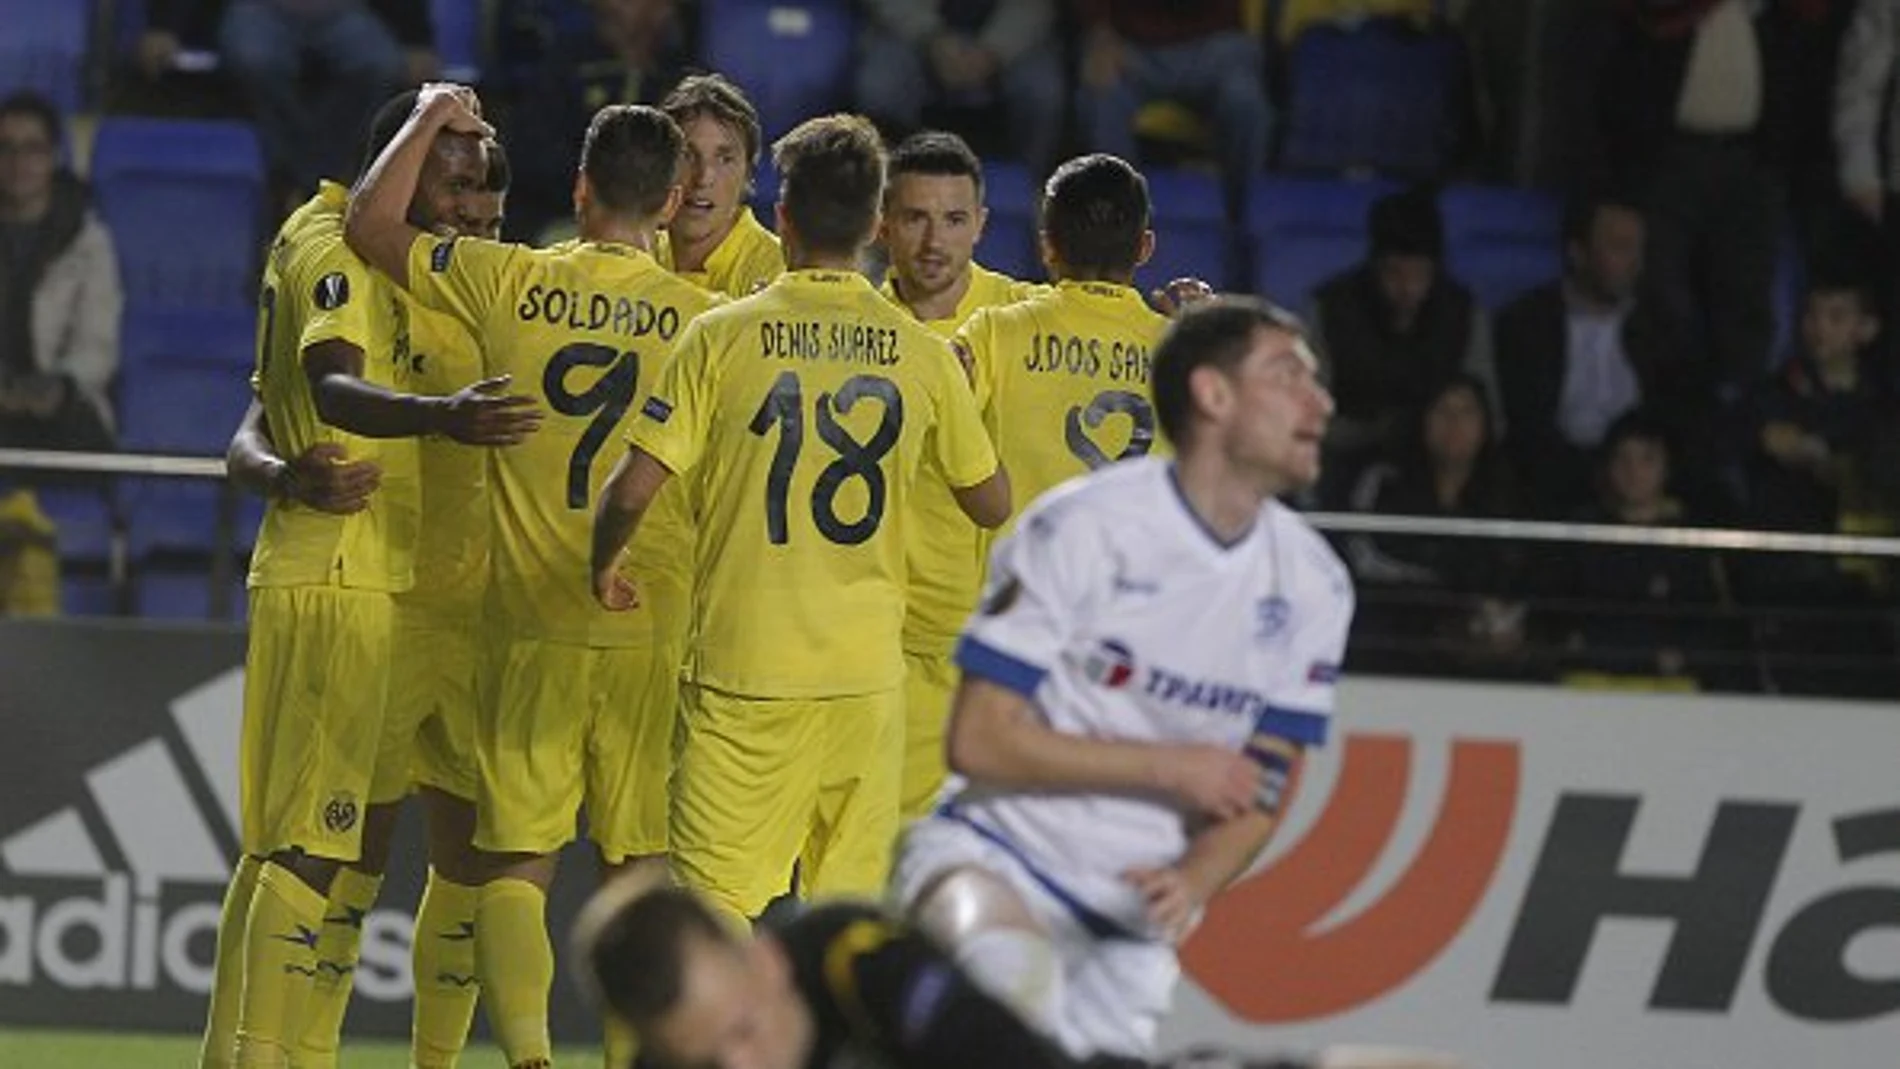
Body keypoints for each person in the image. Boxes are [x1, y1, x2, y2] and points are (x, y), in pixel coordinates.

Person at [346, 89, 723, 1069]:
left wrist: (430, 114)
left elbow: (369, 222)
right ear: (677, 194)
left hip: (528, 621)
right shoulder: (711, 322)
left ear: (582, 186)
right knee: (638, 865)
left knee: (517, 862)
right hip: (650, 626)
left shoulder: (504, 278)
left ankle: (526, 1058)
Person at [890, 297, 1351, 1061]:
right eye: (1289, 375)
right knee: (1007, 1001)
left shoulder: (1315, 584)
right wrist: (1170, 767)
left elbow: (1262, 782)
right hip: (994, 854)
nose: (1322, 400)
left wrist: (1198, 877)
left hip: (1128, 920)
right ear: (1213, 394)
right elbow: (977, 739)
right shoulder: (1083, 527)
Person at [591, 113, 1011, 932]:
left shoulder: (721, 334)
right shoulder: (921, 351)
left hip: (745, 672)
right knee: (845, 926)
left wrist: (601, 562)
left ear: (781, 216)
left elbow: (634, 489)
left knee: (711, 925)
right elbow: (990, 501)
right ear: (876, 226)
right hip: (866, 678)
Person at [199, 86, 539, 1069]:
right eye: (454, 168)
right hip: (345, 575)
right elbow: (330, 386)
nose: (467, 199)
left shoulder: (316, 239)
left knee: (292, 850)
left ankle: (246, 1053)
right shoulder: (342, 251)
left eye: (484, 191)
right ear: (402, 152)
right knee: (317, 846)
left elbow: (260, 419)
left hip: (364, 574)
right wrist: (441, 419)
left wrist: (275, 472)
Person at [568, 875, 1467, 1069]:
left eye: (743, 1032)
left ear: (766, 963)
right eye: (701, 1059)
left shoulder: (854, 960)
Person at [878, 130, 1041, 820]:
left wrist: (1181, 319)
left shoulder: (1028, 320)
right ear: (882, 222)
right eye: (914, 217)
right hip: (890, 646)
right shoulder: (855, 327)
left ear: (981, 224)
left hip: (1005, 650)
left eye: (951, 219)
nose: (933, 241)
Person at [952, 153, 1170, 529]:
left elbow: (934, 438)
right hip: (1139, 582)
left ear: (1047, 246)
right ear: (1144, 248)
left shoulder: (991, 333)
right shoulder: (1183, 352)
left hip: (1021, 582)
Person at [1493, 193, 1689, 516]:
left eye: (1637, 248)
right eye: (1618, 247)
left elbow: (1675, 416)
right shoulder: (1527, 322)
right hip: (1555, 481)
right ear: (1578, 253)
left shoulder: (1662, 326)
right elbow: (1527, 425)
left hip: (1641, 482)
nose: (1634, 261)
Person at [1305, 185, 1495, 506]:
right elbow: (1310, 414)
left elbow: (1486, 412)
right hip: (1346, 457)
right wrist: (1374, 432)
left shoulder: (1463, 312)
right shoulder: (1329, 308)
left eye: (1419, 275)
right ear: (1375, 266)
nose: (1407, 288)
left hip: (1438, 462)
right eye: (1395, 274)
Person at [143, 1, 439, 204]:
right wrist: (164, 25)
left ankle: (297, 182)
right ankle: (319, 182)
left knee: (379, 64)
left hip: (346, 11)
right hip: (256, 9)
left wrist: (416, 40)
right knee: (256, 61)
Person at [498, 0, 693, 239]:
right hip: (565, 216)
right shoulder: (566, 65)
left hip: (654, 223)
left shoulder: (683, 79)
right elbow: (531, 151)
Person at [0, 91, 121, 453]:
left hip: (63, 407)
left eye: (32, 149)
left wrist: (58, 387)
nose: (17, 162)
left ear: (53, 157)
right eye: (5, 148)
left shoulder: (88, 241)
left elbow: (98, 344)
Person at [1072, 1, 1271, 219]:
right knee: (1100, 96)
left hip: (1216, 46)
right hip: (1132, 48)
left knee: (1244, 102)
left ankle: (1242, 216)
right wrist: (1101, 35)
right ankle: (1116, 219)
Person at [853, 0, 1065, 177]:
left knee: (1043, 92)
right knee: (880, 87)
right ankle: (888, 181)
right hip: (916, 31)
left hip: (1012, 34)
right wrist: (933, 39)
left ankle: (1033, 184)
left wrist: (994, 51)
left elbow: (1036, 6)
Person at [654, 74, 786, 297]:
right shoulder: (636, 256)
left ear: (748, 174)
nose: (704, 177)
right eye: (687, 155)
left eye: (725, 159)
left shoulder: (780, 275)